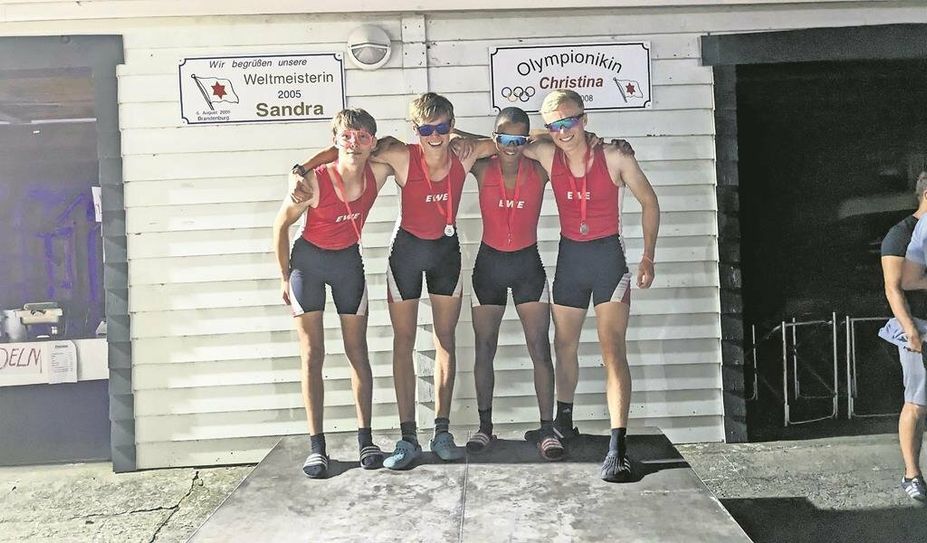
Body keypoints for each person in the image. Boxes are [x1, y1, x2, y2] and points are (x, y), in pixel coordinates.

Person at [292, 93, 484, 470]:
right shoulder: (398, 154)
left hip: (446, 253)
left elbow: (516, 141)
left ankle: (442, 431)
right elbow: (348, 150)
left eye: (442, 128)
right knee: (405, 342)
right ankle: (408, 436)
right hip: (406, 255)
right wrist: (301, 168)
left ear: (451, 125)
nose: (434, 136)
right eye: (426, 129)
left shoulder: (467, 152)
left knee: (446, 340)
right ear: (415, 130)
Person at [522, 89, 659, 482]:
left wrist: (647, 257)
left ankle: (618, 446)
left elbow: (649, 201)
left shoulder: (615, 155)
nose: (565, 131)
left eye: (571, 121)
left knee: (611, 349)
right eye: (555, 125)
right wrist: (546, 132)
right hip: (570, 258)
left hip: (606, 260)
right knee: (563, 344)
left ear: (586, 118)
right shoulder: (548, 153)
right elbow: (507, 138)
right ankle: (564, 423)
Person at [273, 108, 393, 479]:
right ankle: (317, 447)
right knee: (313, 355)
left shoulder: (379, 169)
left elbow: (402, 148)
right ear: (335, 139)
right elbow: (280, 226)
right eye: (346, 136)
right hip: (307, 265)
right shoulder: (313, 181)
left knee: (358, 351)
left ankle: (365, 439)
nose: (353, 143)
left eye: (362, 137)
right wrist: (282, 278)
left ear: (372, 141)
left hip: (347, 264)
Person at [464, 106, 562, 460]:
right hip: (488, 266)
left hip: (527, 266)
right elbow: (456, 142)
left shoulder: (539, 169)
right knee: (484, 347)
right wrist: (489, 142)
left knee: (539, 347)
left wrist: (534, 140)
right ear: (494, 137)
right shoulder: (481, 166)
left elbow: (566, 144)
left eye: (518, 139)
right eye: (503, 137)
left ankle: (547, 429)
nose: (510, 145)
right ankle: (484, 426)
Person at [888, 171, 927, 500]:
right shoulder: (901, 235)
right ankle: (912, 474)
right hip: (921, 327)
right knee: (917, 402)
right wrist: (910, 330)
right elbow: (894, 288)